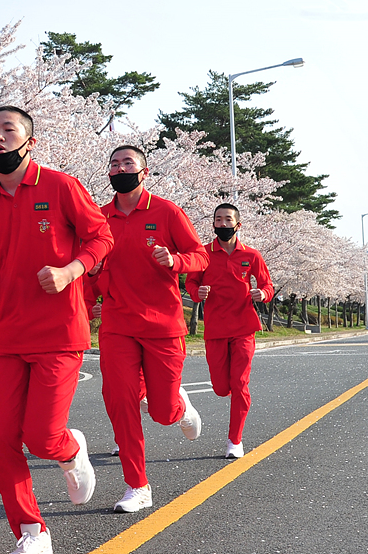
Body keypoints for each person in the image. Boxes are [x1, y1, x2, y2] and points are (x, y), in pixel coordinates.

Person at [0, 106, 114, 554]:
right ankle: (31, 531)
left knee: (42, 438)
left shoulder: (60, 186)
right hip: (3, 335)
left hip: (58, 332)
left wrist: (71, 271)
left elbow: (102, 237)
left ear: (30, 142)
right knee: (2, 439)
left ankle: (68, 449)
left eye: (8, 131)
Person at [92, 145, 208, 513]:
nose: (120, 168)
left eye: (128, 163)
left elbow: (201, 256)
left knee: (161, 411)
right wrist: (91, 292)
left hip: (162, 324)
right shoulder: (99, 217)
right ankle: (137, 485)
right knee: (120, 400)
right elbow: (90, 262)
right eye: (114, 163)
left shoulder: (167, 211)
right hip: (117, 324)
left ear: (144, 171)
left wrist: (175, 260)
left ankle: (179, 407)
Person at [184, 203, 274, 458]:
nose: (223, 224)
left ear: (238, 224)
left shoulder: (252, 256)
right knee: (221, 387)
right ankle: (231, 429)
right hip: (215, 328)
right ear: (213, 224)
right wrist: (196, 292)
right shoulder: (202, 254)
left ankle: (235, 440)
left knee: (240, 383)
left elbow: (267, 285)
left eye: (227, 220)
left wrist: (262, 294)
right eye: (218, 220)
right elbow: (191, 282)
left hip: (244, 327)